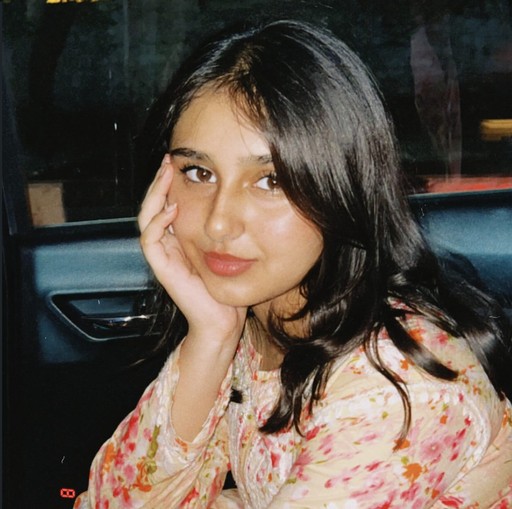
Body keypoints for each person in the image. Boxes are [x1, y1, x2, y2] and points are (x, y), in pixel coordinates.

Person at [74, 20, 512, 508]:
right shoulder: (265, 319)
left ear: (342, 189)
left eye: (272, 181)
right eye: (198, 172)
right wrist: (211, 337)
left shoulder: (397, 388)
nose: (219, 223)